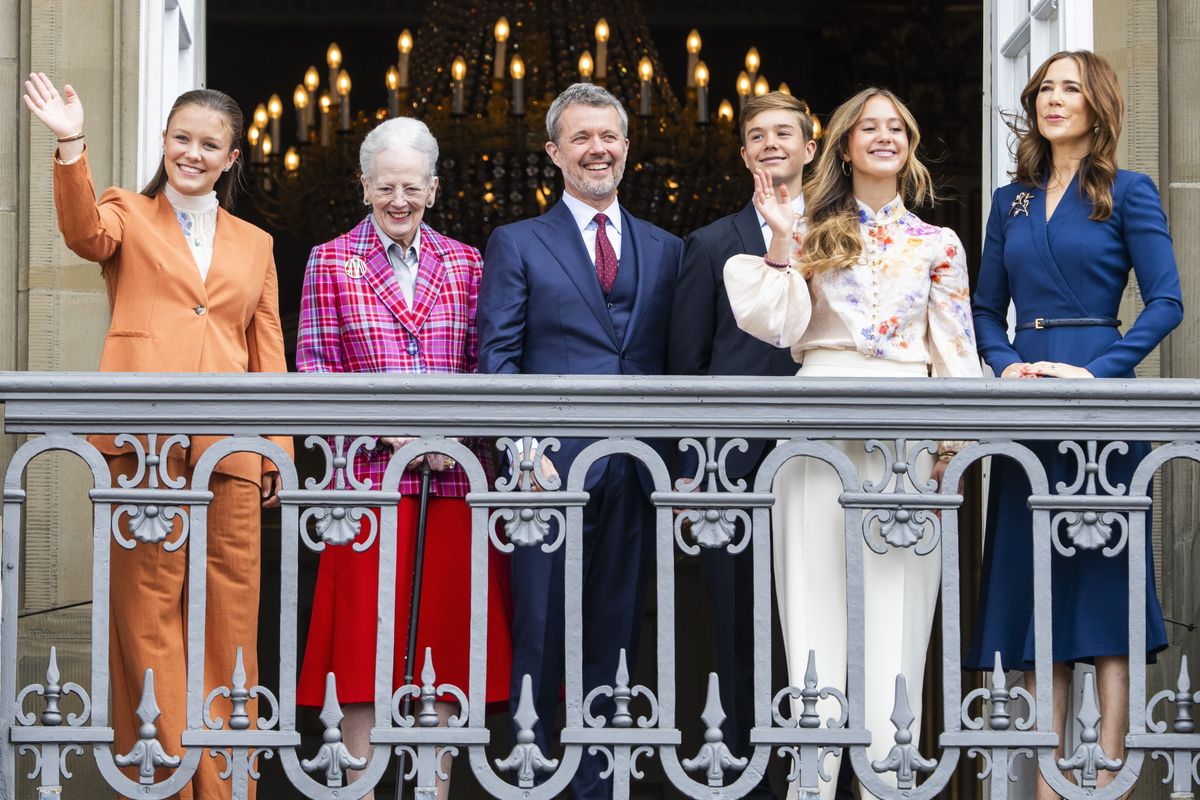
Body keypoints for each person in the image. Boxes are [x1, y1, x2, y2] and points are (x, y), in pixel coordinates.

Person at [23, 74, 291, 798]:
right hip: (142, 447)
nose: (192, 154)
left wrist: (278, 452)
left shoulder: (257, 243)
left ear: (232, 157)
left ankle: (228, 785)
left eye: (209, 145)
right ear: (164, 143)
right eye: (181, 139)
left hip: (230, 451)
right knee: (147, 623)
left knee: (231, 624)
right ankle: (167, 780)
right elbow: (82, 233)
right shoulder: (126, 213)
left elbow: (268, 349)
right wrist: (70, 141)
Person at [724, 87, 981, 799]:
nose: (884, 136)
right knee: (811, 615)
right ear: (842, 144)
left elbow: (956, 353)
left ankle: (888, 787)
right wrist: (781, 238)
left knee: (900, 621)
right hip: (817, 425)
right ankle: (814, 785)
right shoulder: (804, 224)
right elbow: (775, 324)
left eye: (896, 126)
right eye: (868, 126)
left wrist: (952, 449)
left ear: (912, 142)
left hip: (907, 431)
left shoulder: (939, 243)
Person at [965, 50, 1183, 799]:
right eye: (1046, 88)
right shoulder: (1011, 202)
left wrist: (1100, 371)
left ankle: (1111, 780)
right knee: (1037, 589)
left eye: (1071, 88)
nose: (1055, 99)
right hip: (1028, 400)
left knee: (1107, 587)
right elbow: (985, 310)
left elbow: (1165, 301)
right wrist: (1003, 364)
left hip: (1100, 397)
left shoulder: (1130, 192)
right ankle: (1046, 787)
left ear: (1098, 104)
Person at [295, 116, 513, 800]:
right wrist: (380, 426)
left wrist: (455, 436)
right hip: (365, 488)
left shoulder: (469, 263)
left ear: (434, 189)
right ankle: (362, 786)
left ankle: (432, 790)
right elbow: (310, 373)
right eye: (385, 185)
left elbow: (489, 369)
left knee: (441, 649)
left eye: (411, 187)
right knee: (363, 651)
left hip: (453, 486)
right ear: (364, 187)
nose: (399, 199)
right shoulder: (329, 260)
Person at [477, 82, 683, 800]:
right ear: (554, 153)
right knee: (540, 627)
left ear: (627, 147)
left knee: (618, 629)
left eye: (610, 136)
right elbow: (496, 360)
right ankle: (535, 774)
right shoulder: (517, 242)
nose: (598, 149)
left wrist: (677, 468)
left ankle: (600, 780)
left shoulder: (666, 248)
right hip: (547, 471)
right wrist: (522, 454)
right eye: (582, 138)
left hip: (635, 468)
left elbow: (677, 363)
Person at [667, 90, 817, 800]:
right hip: (732, 466)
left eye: (784, 133)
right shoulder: (710, 243)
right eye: (756, 136)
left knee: (818, 621)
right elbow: (687, 367)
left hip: (824, 459)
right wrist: (692, 476)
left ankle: (825, 775)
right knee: (742, 628)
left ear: (811, 148)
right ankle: (748, 780)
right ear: (743, 154)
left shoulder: (842, 235)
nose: (770, 145)